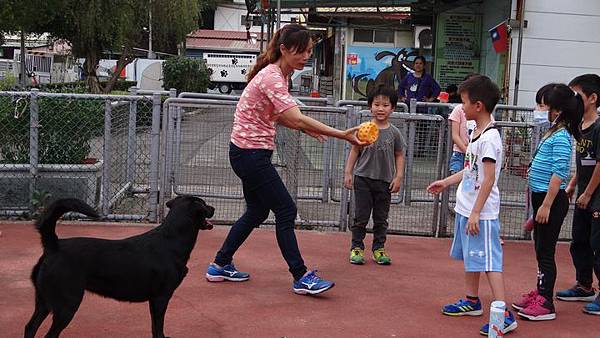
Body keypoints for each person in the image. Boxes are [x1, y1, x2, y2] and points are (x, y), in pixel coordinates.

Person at [205, 24, 365, 295]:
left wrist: (308, 129)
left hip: (247, 153)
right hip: (250, 155)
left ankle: (219, 264)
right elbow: (294, 116)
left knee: (257, 211)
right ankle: (301, 276)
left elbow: (278, 116)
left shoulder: (281, 75)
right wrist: (341, 134)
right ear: (283, 49)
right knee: (286, 210)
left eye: (309, 51)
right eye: (300, 51)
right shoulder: (272, 77)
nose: (306, 56)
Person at [427, 75, 517, 335]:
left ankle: (504, 314)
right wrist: (446, 182)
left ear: (478, 105)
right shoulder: (475, 133)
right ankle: (471, 300)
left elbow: (489, 179)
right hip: (467, 208)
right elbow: (470, 171)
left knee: (490, 262)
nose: (461, 107)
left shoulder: (490, 138)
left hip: (482, 213)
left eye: (464, 102)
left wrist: (477, 212)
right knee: (472, 258)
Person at [512, 83, 584, 321]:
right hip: (541, 198)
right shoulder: (552, 131)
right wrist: (537, 210)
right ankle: (541, 291)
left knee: (545, 252)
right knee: (539, 249)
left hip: (550, 200)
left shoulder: (562, 136)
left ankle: (546, 302)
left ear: (557, 110)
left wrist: (546, 206)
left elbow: (559, 173)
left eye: (543, 105)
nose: (538, 109)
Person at [344, 84, 406, 265]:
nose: (380, 108)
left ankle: (379, 249)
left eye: (385, 105)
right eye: (377, 104)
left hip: (385, 181)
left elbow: (399, 154)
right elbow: (355, 150)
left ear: (393, 108)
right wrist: (348, 172)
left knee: (381, 218)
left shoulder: (394, 133)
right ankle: (356, 247)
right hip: (363, 178)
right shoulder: (364, 129)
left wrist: (398, 176)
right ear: (370, 106)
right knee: (361, 216)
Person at [556, 74, 600, 315]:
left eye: (577, 97)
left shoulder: (599, 127)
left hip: (595, 195)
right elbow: (584, 161)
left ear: (592, 98)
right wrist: (574, 183)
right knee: (579, 240)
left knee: (597, 244)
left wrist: (589, 192)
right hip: (584, 192)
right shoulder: (579, 126)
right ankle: (584, 285)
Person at [448, 74, 478, 174]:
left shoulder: (485, 114)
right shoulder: (458, 109)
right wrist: (467, 151)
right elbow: (455, 135)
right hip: (460, 152)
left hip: (477, 154)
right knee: (455, 173)